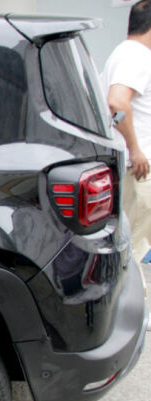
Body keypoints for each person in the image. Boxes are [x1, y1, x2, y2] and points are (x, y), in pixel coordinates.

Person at [103, 0, 151, 261]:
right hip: (138, 169)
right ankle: (135, 300)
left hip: (133, 166)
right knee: (133, 248)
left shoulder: (123, 53)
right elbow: (117, 102)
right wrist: (136, 151)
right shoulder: (137, 56)